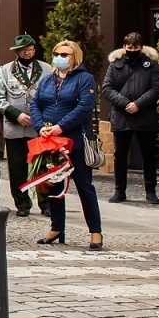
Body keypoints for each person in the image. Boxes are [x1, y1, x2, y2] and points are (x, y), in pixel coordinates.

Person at [31, 39, 104, 251]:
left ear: (75, 57)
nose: (60, 58)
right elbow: (36, 103)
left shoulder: (84, 79)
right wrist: (40, 127)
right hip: (50, 142)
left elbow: (85, 107)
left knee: (84, 186)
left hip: (75, 141)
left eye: (65, 55)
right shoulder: (47, 80)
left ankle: (95, 231)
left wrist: (61, 126)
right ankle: (56, 227)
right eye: (57, 54)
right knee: (54, 185)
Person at [102, 32, 159, 204]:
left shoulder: (151, 65)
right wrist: (125, 103)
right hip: (122, 116)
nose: (132, 51)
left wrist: (138, 104)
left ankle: (151, 191)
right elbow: (107, 88)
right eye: (129, 48)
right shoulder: (115, 65)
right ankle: (119, 191)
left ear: (141, 48)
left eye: (135, 48)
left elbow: (157, 88)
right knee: (120, 155)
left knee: (148, 155)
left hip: (145, 115)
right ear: (124, 47)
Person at [0, 33, 53, 219]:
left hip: (39, 127)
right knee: (17, 167)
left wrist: (40, 117)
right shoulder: (5, 70)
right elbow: (0, 98)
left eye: (30, 49)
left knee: (42, 166)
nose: (27, 53)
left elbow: (52, 97)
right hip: (14, 126)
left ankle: (46, 202)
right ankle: (22, 203)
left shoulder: (46, 69)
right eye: (23, 50)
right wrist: (16, 115)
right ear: (17, 51)